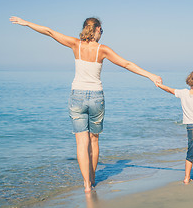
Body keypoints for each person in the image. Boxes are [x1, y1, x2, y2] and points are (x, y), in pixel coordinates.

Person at [9, 16, 162, 192]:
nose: (101, 34)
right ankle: (93, 177)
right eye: (101, 31)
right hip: (97, 97)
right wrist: (151, 75)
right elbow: (126, 64)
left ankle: (86, 185)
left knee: (81, 143)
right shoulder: (102, 50)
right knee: (94, 141)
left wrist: (27, 23)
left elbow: (49, 32)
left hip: (77, 97)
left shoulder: (75, 44)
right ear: (96, 29)